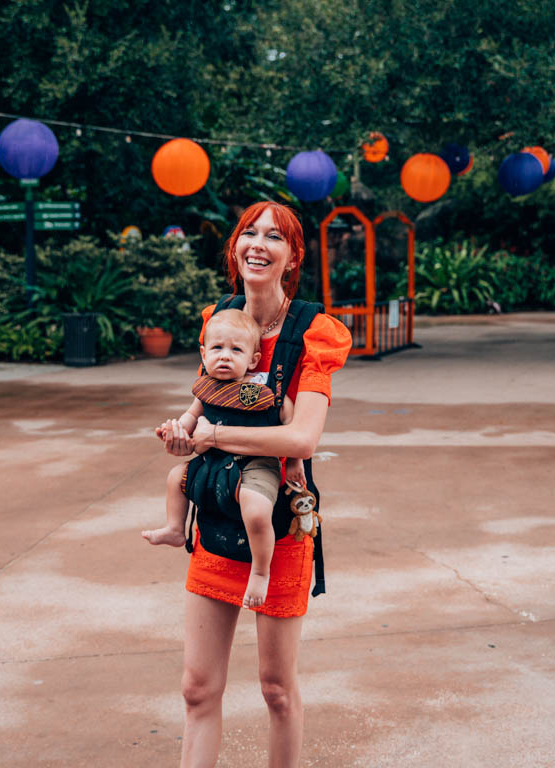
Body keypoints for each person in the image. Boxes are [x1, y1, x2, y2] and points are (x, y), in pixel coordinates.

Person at [156, 201, 351, 768]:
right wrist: (184, 435)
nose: (258, 244)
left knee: (276, 690)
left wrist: (213, 437)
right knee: (196, 688)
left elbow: (302, 440)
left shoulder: (313, 332)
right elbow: (203, 400)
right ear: (234, 247)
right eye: (249, 233)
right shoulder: (221, 319)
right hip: (217, 516)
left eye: (275, 237)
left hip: (278, 526)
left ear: (292, 258)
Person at [142, 306, 306, 610]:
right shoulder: (206, 389)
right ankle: (176, 529)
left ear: (253, 359)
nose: (225, 356)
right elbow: (191, 417)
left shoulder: (265, 386)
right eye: (217, 348)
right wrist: (174, 431)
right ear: (203, 354)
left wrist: (295, 461)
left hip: (257, 463)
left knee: (256, 509)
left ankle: (260, 570)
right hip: (214, 462)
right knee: (175, 477)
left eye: (236, 349)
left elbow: (290, 421)